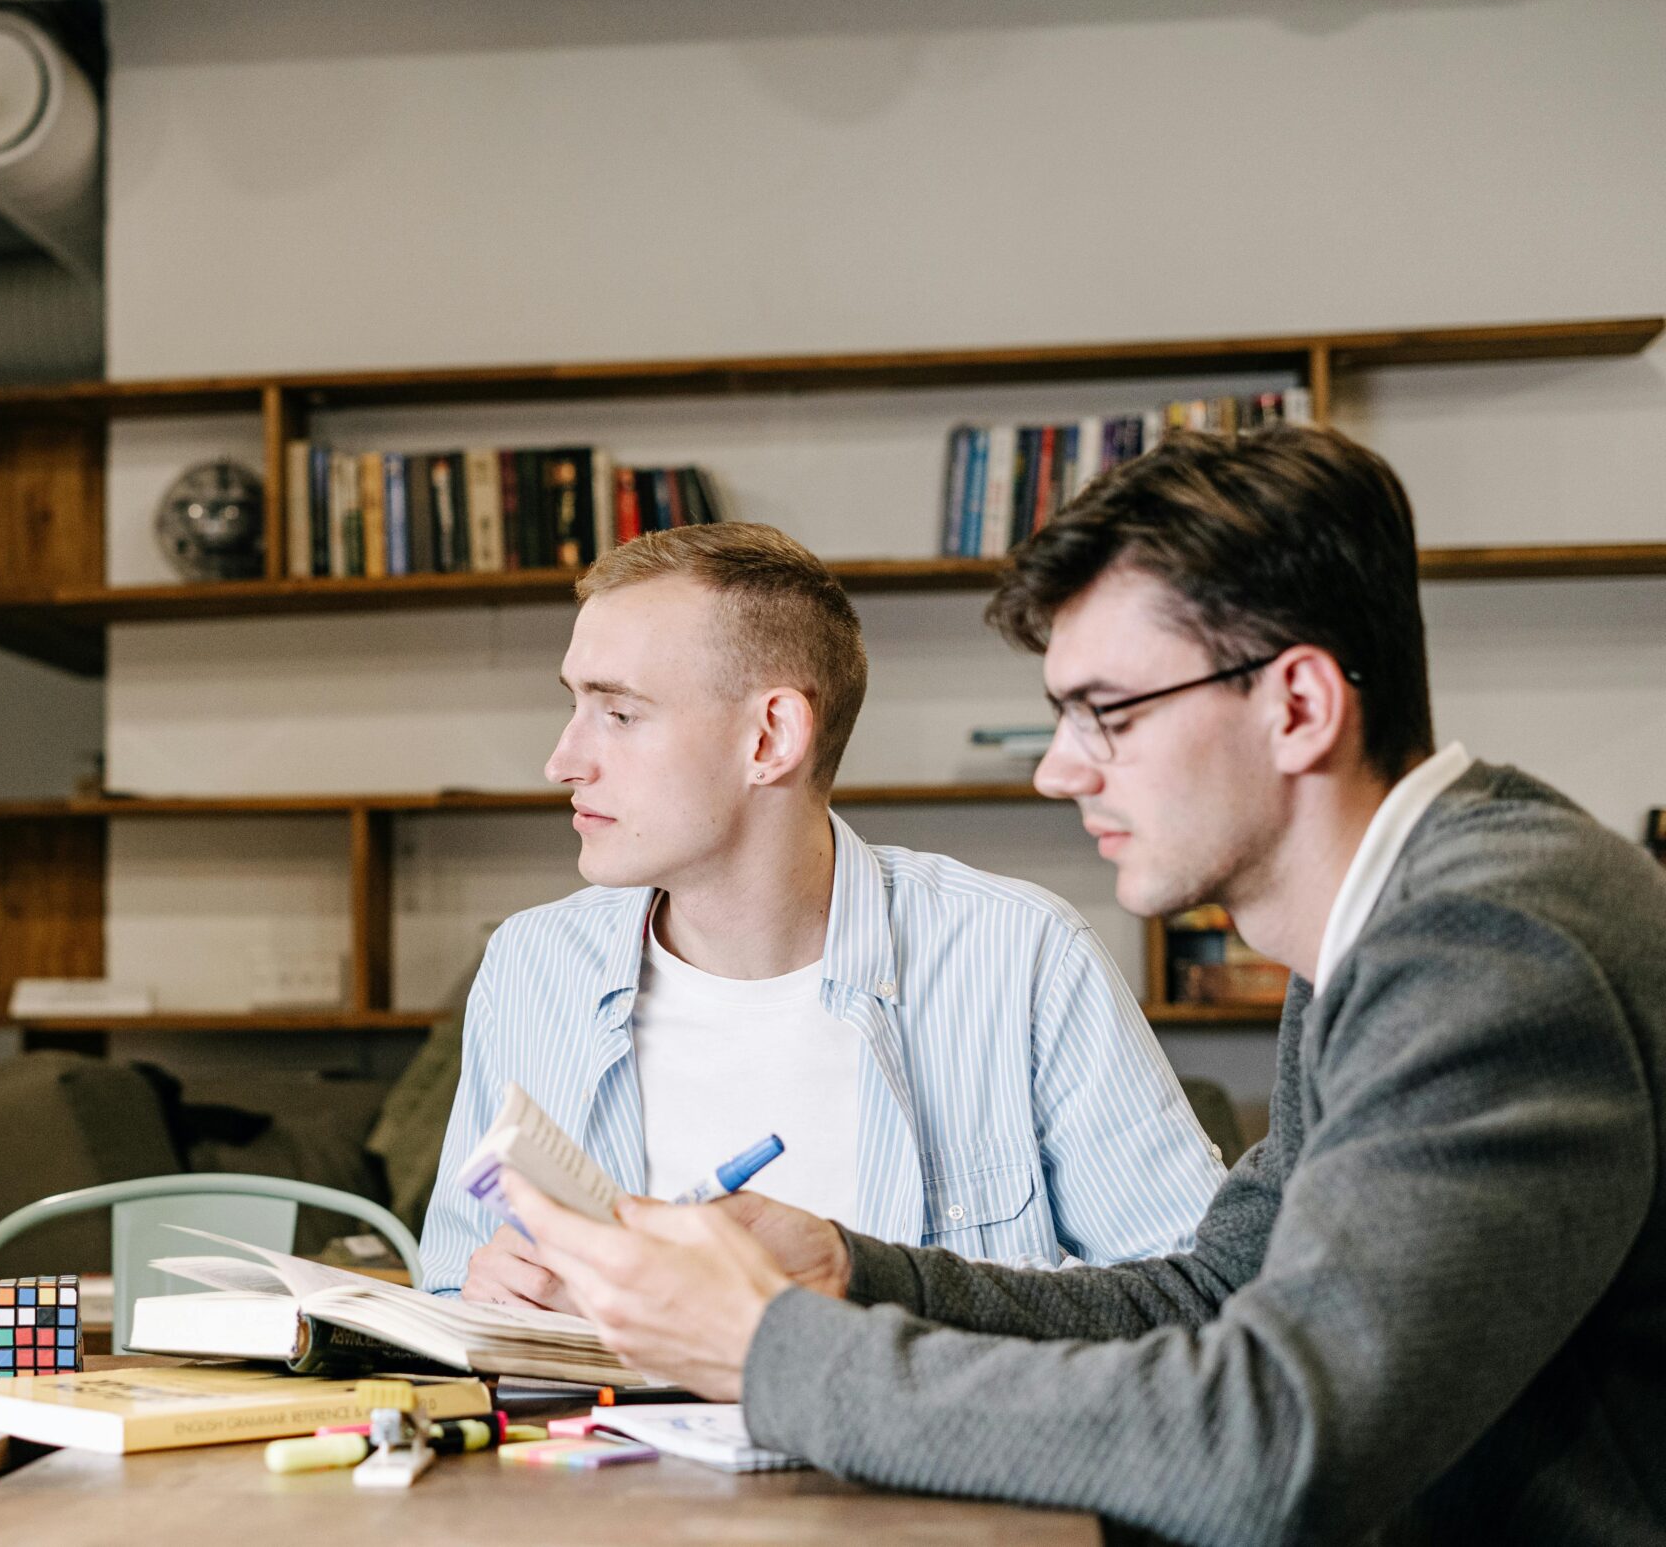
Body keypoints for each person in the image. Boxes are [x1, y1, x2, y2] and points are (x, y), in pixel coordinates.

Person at [502, 428, 1666, 1546]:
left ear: (1298, 707)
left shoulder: (1487, 944)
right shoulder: (1398, 917)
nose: (1062, 768)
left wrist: (765, 1348)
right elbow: (1215, 1294)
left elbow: (1274, 1445)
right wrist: (854, 1272)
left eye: (1108, 712)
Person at [421, 523, 1225, 1304]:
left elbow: (1202, 1296)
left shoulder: (1023, 957)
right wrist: (485, 1291)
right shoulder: (531, 964)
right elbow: (453, 1283)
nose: (563, 761)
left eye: (619, 714)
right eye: (575, 706)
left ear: (771, 737)